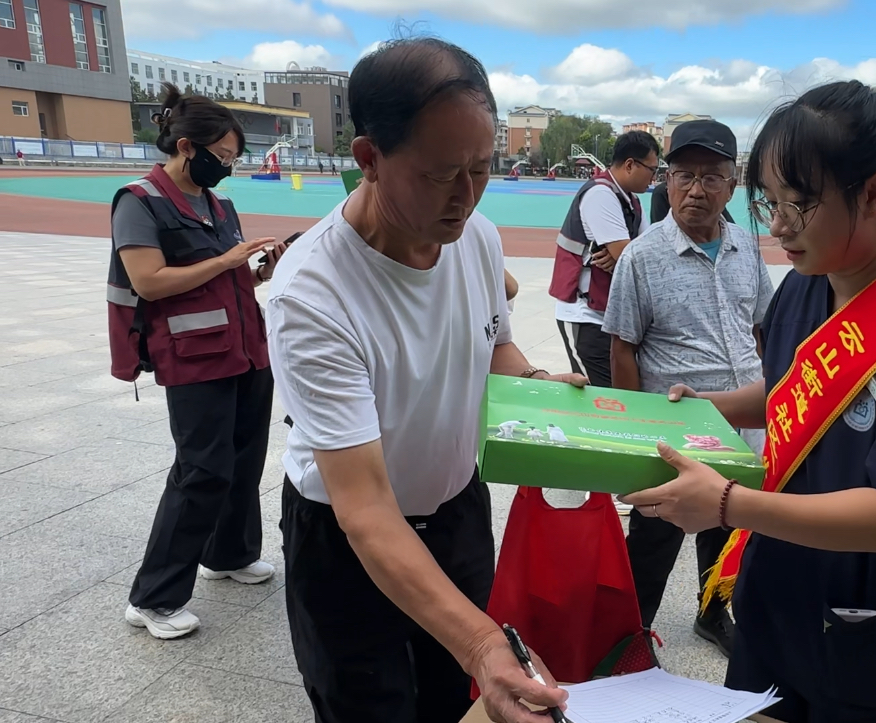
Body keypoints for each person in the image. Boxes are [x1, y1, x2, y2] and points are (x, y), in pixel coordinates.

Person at [621, 81, 876, 723]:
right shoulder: (809, 281)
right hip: (779, 587)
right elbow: (790, 393)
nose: (777, 227)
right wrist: (711, 404)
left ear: (875, 193)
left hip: (869, 618)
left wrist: (726, 504)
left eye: (798, 205)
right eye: (768, 202)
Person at [265, 38, 581, 723]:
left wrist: (538, 383)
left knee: (453, 701)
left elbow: (492, 344)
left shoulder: (477, 237)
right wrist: (482, 644)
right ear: (369, 158)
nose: (465, 197)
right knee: (367, 707)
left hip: (456, 508)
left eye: (482, 169)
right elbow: (365, 508)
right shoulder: (313, 295)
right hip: (349, 538)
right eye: (441, 175)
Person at [107, 84, 286, 640]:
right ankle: (154, 598)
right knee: (201, 471)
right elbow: (149, 281)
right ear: (186, 146)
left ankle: (230, 553)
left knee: (244, 459)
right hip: (193, 357)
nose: (227, 167)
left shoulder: (218, 204)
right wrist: (228, 260)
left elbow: (224, 278)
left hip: (246, 349)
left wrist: (258, 271)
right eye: (222, 156)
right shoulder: (138, 201)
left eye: (233, 159)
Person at [603, 119, 773, 656]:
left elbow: (761, 328)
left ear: (732, 184)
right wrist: (636, 434)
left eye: (711, 177)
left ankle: (711, 612)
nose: (696, 189)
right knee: (654, 537)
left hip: (741, 425)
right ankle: (630, 635)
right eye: (684, 176)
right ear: (668, 181)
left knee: (727, 524)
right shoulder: (642, 256)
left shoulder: (747, 247)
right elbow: (623, 349)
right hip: (673, 431)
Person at [549, 130, 660, 390]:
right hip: (584, 316)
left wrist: (624, 254)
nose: (654, 178)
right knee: (601, 396)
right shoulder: (601, 194)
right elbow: (631, 257)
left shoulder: (631, 201)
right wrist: (623, 254)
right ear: (630, 165)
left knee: (622, 394)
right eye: (652, 170)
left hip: (609, 316)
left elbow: (646, 252)